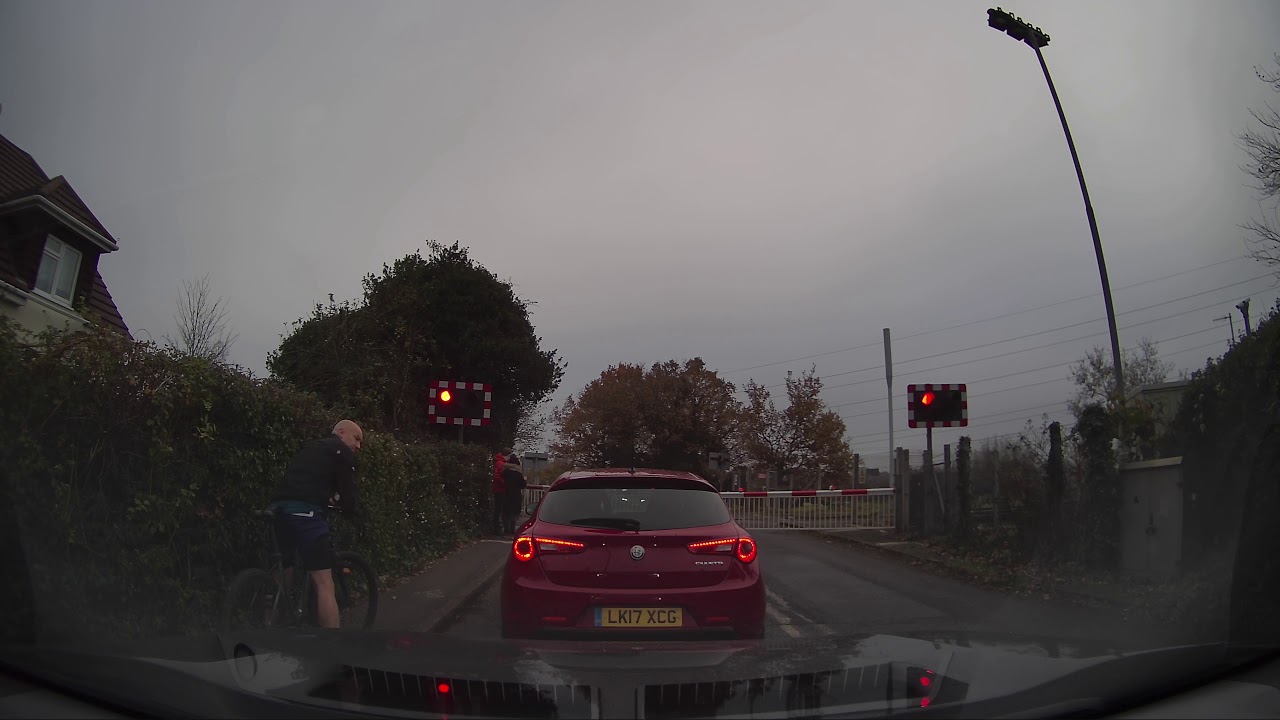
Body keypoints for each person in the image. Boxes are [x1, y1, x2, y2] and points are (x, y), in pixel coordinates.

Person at [268, 419, 363, 629]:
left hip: (278, 509)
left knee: (286, 566)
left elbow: (309, 481)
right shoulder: (340, 451)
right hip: (305, 514)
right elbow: (348, 495)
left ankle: (274, 621)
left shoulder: (313, 447)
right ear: (340, 432)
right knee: (324, 585)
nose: (358, 446)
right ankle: (333, 649)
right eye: (356, 438)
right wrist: (352, 513)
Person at [501, 453, 527, 536]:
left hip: (505, 493)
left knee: (506, 512)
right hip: (516, 495)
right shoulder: (518, 475)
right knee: (513, 513)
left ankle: (506, 529)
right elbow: (523, 485)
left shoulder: (505, 473)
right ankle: (512, 530)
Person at [491, 448, 511, 536]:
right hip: (500, 489)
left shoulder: (499, 463)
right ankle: (497, 528)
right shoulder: (501, 464)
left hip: (498, 488)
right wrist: (505, 482)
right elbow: (497, 476)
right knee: (499, 509)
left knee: (498, 509)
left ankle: (497, 528)